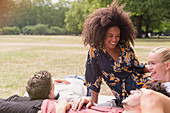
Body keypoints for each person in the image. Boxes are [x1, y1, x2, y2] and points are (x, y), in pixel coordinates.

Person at [82, 0, 150, 106]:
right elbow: (93, 79)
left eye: (117, 35)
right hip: (127, 98)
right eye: (110, 35)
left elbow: (137, 67)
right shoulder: (95, 51)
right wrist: (94, 103)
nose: (114, 39)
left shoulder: (125, 47)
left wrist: (156, 67)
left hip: (142, 86)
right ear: (102, 34)